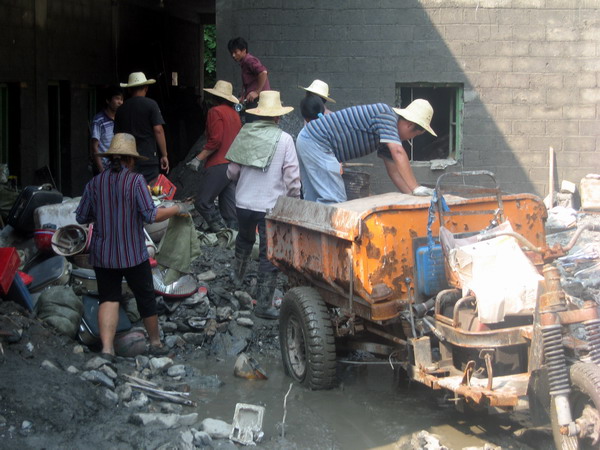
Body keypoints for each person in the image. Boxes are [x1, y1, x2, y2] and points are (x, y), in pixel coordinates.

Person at [76, 133, 192, 358]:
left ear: (111, 157)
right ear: (130, 159)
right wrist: (177, 208)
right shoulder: (136, 181)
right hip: (132, 254)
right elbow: (151, 215)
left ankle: (107, 350)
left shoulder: (95, 183)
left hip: (104, 254)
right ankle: (156, 343)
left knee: (109, 298)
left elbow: (81, 216)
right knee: (145, 297)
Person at [226, 91, 300, 319]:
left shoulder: (245, 133)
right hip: (269, 207)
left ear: (259, 114)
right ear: (278, 117)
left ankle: (236, 281)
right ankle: (264, 304)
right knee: (269, 254)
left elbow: (232, 172)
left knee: (245, 239)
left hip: (243, 204)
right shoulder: (285, 139)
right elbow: (292, 178)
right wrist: (293, 201)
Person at [296, 99, 437, 204]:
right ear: (409, 125)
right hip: (317, 141)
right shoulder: (387, 115)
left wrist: (413, 196)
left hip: (309, 139)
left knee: (313, 201)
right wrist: (416, 188)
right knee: (334, 201)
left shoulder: (386, 137)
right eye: (414, 136)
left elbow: (394, 172)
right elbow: (398, 152)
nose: (409, 139)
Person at [186, 80, 242, 231]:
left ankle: (221, 231)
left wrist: (198, 158)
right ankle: (232, 235)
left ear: (215, 97)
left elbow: (216, 141)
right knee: (230, 209)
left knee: (202, 202)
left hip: (218, 164)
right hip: (233, 165)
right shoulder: (235, 114)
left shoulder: (215, 112)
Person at [114, 72, 169, 183]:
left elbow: (117, 136)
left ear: (129, 90)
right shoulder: (151, 105)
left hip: (128, 159)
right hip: (148, 158)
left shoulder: (121, 109)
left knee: (129, 187)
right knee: (149, 189)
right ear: (146, 88)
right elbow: (158, 130)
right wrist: (164, 155)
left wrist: (117, 158)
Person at [227, 37, 270, 123]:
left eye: (235, 52)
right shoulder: (244, 63)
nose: (233, 55)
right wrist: (244, 96)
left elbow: (263, 73)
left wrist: (257, 92)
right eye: (232, 53)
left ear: (244, 50)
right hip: (254, 100)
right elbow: (251, 83)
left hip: (258, 101)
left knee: (252, 126)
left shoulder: (249, 60)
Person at [90, 86, 123, 174]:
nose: (120, 102)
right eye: (117, 98)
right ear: (108, 100)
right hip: (104, 167)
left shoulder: (121, 118)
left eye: (121, 99)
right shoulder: (99, 120)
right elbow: (94, 146)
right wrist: (101, 169)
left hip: (118, 166)